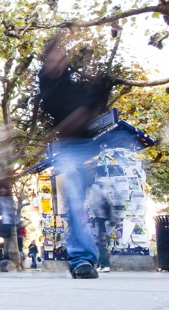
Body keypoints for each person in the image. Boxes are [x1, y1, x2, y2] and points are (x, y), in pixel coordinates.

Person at [39, 37, 113, 279]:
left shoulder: (75, 85)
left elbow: (91, 103)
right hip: (69, 150)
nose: (57, 63)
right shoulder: (48, 87)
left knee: (119, 159)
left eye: (61, 57)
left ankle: (100, 192)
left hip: (90, 146)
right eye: (52, 59)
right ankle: (81, 260)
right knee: (73, 196)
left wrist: (101, 88)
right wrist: (85, 108)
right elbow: (70, 112)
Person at [86, 176, 116, 273]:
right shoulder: (101, 189)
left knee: (99, 242)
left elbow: (93, 204)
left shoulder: (93, 189)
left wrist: (90, 212)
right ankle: (101, 265)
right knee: (101, 242)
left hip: (98, 218)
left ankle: (105, 264)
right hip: (102, 218)